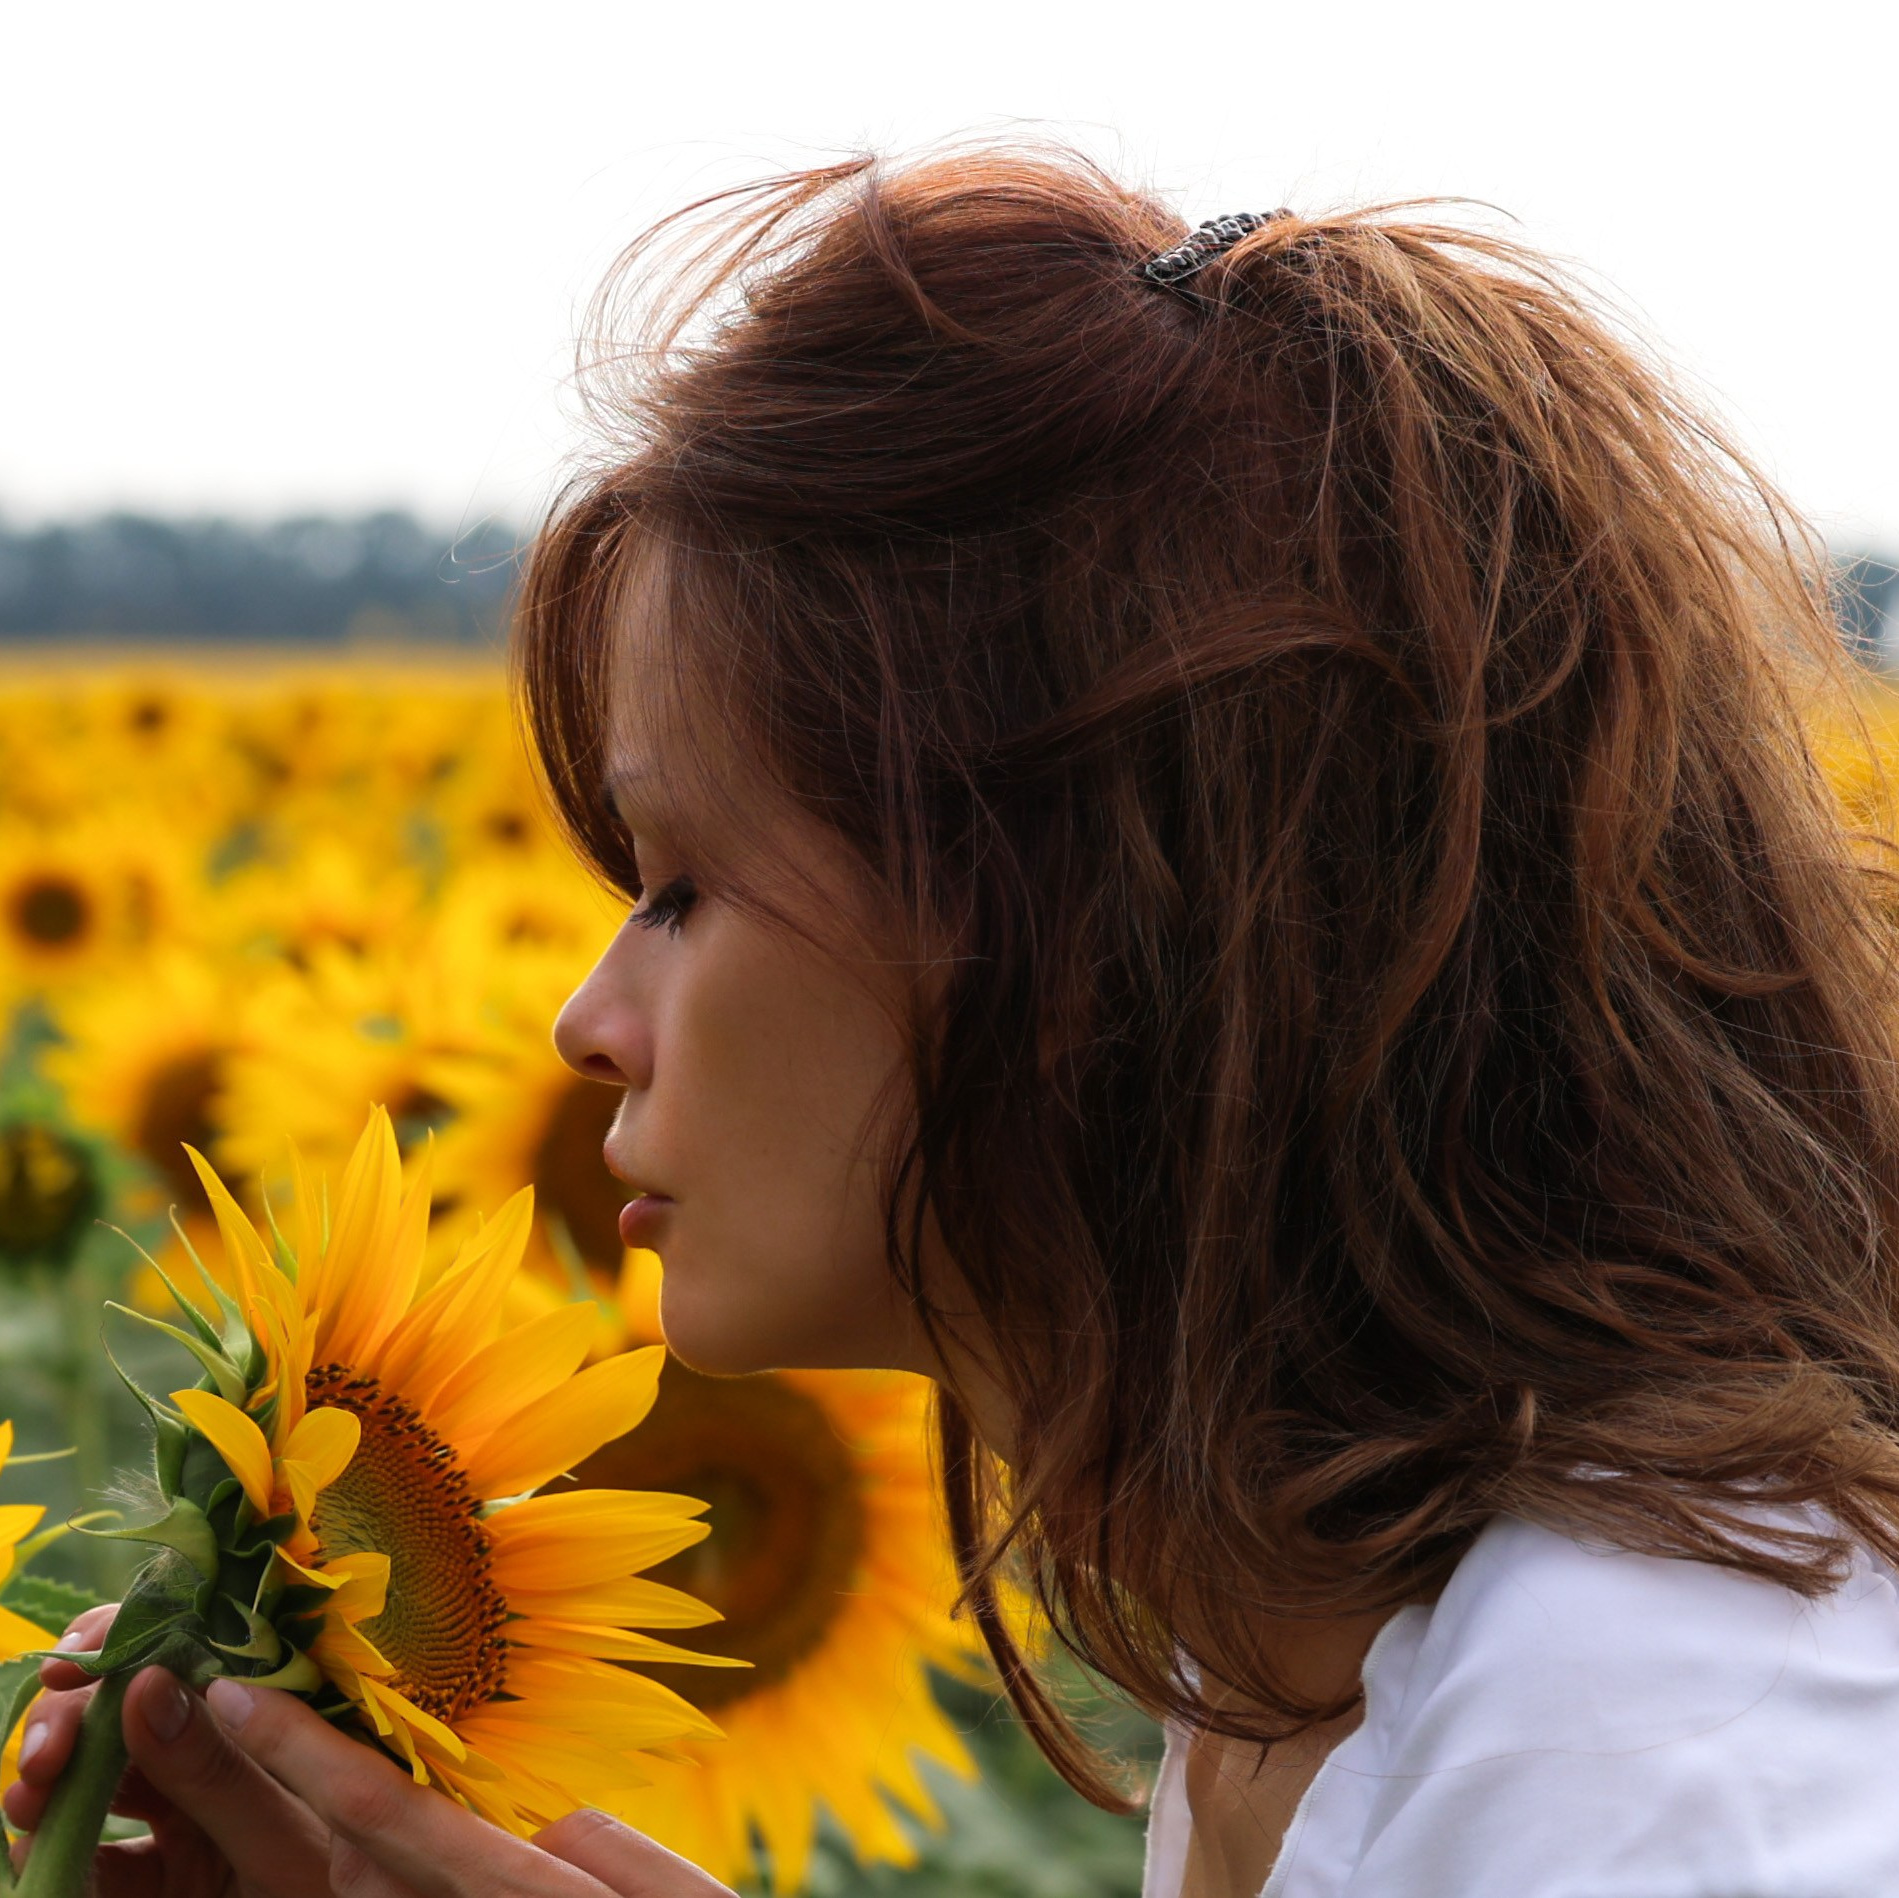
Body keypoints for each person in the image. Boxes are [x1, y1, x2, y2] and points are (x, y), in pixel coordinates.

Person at [13, 144, 1899, 1898]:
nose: (591, 1021)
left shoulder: (1658, 1752)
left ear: (1086, 938)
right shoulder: (1303, 1652)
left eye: (682, 888)